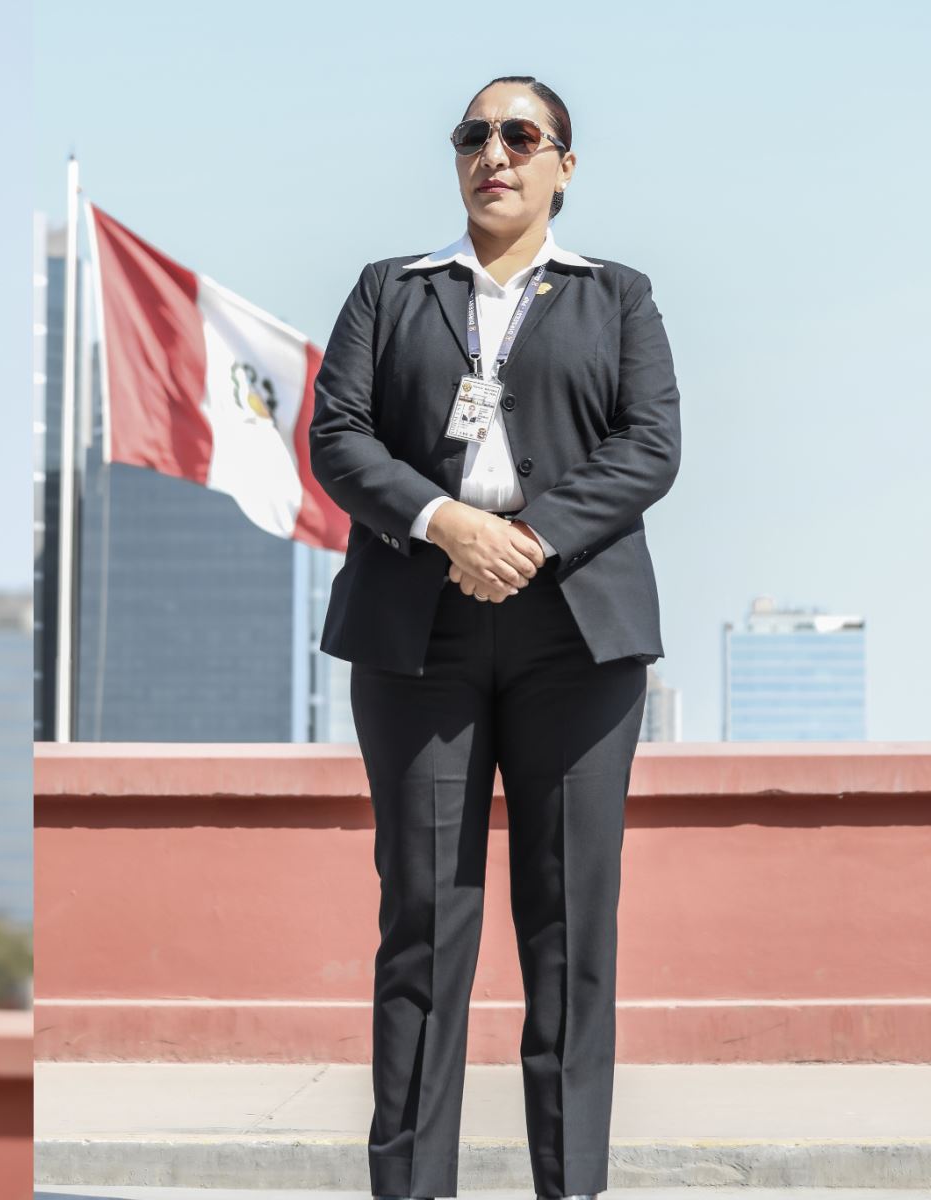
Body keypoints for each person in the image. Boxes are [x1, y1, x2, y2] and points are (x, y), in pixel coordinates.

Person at [307, 75, 681, 1200]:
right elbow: (338, 435)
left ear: (567, 164)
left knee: (570, 932)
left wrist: (530, 539)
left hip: (579, 637)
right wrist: (449, 523)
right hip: (417, 629)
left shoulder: (618, 298)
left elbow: (650, 446)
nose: (495, 154)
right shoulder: (391, 290)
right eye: (474, 136)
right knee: (424, 920)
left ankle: (571, 1188)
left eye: (523, 137)